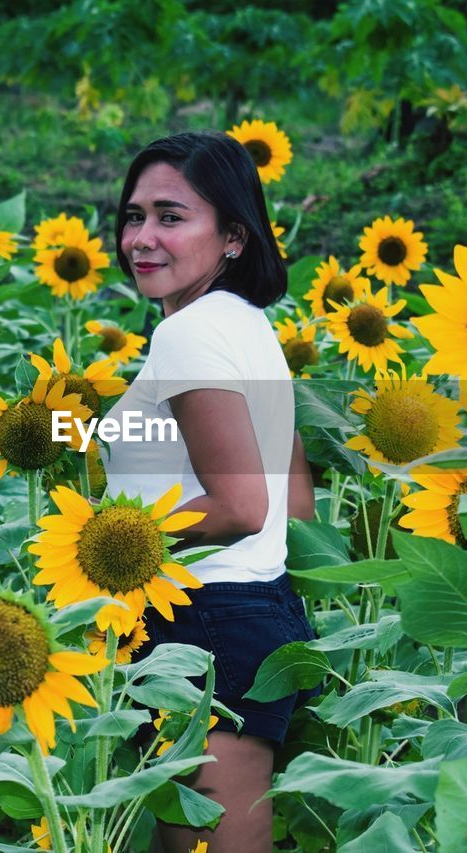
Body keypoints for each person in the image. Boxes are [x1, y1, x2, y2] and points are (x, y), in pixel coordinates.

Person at [101, 131, 318, 853]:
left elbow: (240, 506)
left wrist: (109, 546)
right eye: (134, 216)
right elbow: (293, 506)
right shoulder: (251, 329)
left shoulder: (187, 337)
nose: (142, 237)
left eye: (171, 216)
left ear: (232, 236)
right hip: (254, 614)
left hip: (204, 623)